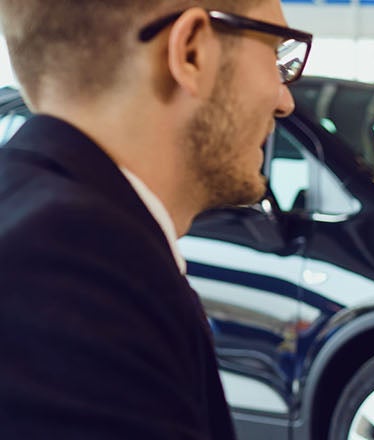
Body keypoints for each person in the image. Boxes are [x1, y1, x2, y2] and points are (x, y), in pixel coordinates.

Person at [0, 0, 309, 437]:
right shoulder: (72, 269)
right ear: (192, 52)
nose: (285, 101)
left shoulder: (34, 217)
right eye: (275, 54)